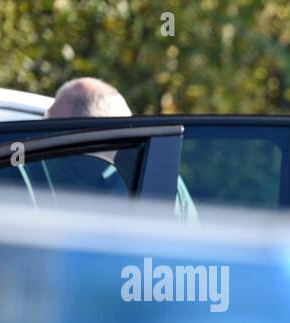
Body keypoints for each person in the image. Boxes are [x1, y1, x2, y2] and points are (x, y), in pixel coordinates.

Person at [46, 76, 198, 221]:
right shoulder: (105, 177)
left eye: (55, 134)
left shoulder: (145, 180)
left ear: (91, 135)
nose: (47, 144)